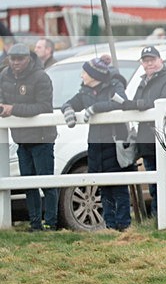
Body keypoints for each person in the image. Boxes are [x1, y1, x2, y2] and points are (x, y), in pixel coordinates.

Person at [61, 58, 136, 231]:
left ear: (94, 75)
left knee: (119, 188)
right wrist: (68, 111)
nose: (82, 75)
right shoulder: (85, 91)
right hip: (96, 146)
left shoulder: (115, 85)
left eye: (85, 72)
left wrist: (96, 108)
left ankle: (124, 226)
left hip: (115, 143)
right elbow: (69, 103)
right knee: (103, 187)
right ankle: (109, 226)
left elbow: (121, 102)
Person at [126, 46, 166, 228]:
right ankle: (159, 222)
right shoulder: (142, 81)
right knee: (155, 186)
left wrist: (138, 104)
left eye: (152, 59)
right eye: (146, 61)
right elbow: (136, 103)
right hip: (147, 141)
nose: (149, 64)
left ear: (160, 60)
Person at [0, 43, 58, 231]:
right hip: (21, 139)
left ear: (28, 59)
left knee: (46, 183)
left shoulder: (41, 77)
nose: (15, 63)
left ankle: (50, 223)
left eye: (20, 59)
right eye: (12, 59)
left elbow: (44, 107)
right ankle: (35, 225)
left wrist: (14, 109)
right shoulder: (4, 76)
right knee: (28, 184)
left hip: (42, 138)